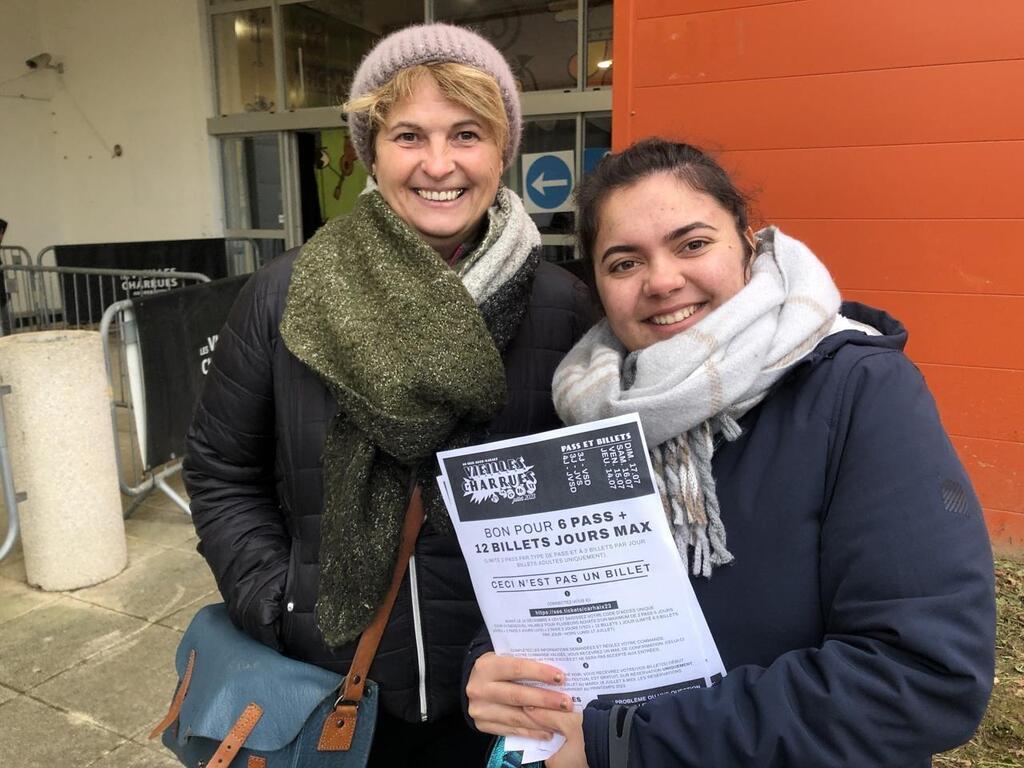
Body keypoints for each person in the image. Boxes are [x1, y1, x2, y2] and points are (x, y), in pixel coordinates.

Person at [465, 138, 995, 767]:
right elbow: (536, 599)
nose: (663, 281)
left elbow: (922, 676)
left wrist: (630, 742)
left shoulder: (856, 391)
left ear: (748, 240)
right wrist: (491, 666)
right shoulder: (588, 407)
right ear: (598, 285)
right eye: (624, 262)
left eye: (693, 244)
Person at [183, 23, 594, 767]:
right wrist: (277, 600)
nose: (439, 164)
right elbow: (220, 470)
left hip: (506, 685)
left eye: (467, 133)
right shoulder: (288, 295)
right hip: (335, 676)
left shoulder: (562, 304)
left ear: (503, 150)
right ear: (370, 151)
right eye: (409, 135)